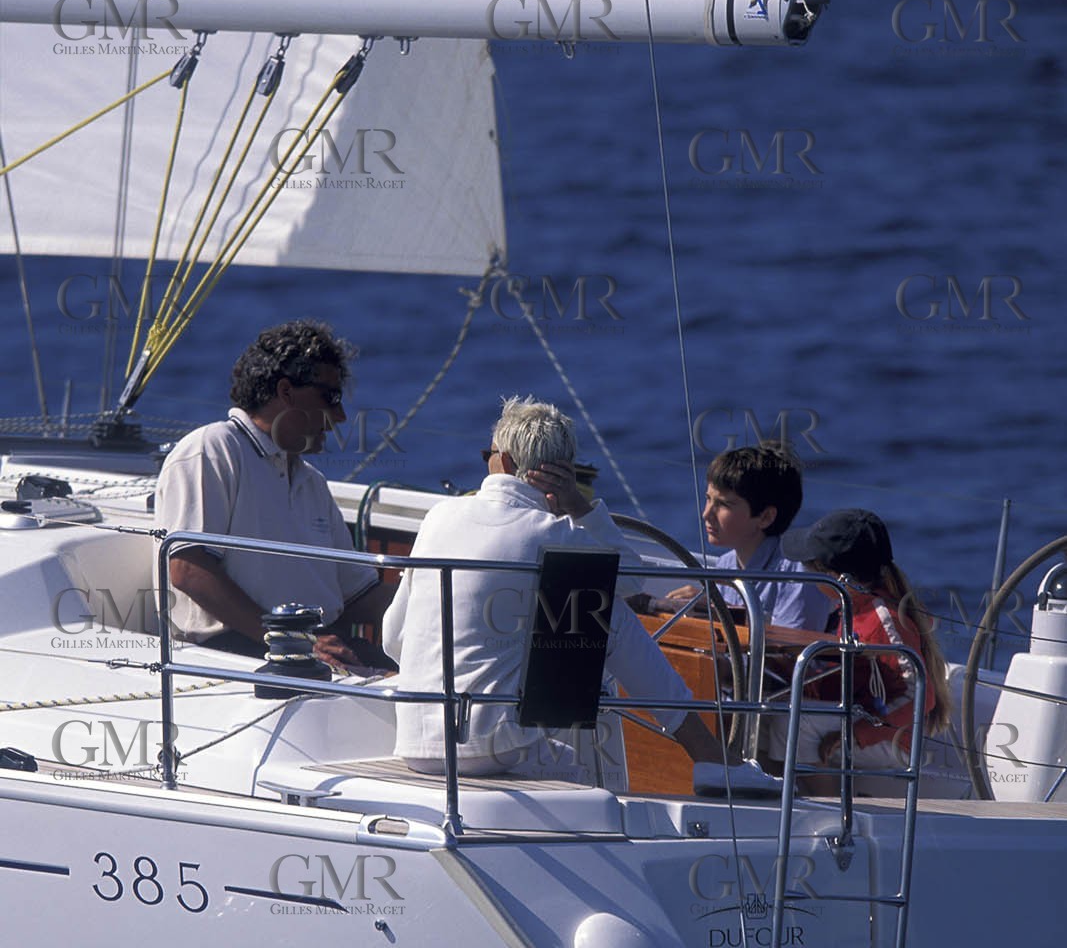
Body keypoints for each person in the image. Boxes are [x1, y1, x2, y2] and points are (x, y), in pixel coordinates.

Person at [382, 396, 780, 794]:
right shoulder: (550, 534)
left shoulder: (437, 517)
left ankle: (711, 760)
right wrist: (576, 503)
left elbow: (391, 637)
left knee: (582, 608)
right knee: (604, 611)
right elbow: (630, 581)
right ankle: (711, 757)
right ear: (561, 474)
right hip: (492, 750)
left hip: (416, 743)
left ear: (501, 463)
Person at [156, 319, 392, 669]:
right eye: (331, 398)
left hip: (313, 650)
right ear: (285, 392)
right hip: (237, 654)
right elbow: (188, 570)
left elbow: (359, 594)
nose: (340, 416)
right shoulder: (213, 450)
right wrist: (290, 642)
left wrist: (444, 594)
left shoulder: (311, 482)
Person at [770, 508, 951, 793]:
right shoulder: (852, 610)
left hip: (893, 739)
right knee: (770, 712)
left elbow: (921, 697)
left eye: (811, 566)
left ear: (837, 577)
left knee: (790, 723)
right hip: (867, 719)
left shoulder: (882, 617)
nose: (805, 572)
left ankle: (827, 811)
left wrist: (858, 734)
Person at [650, 445, 833, 633]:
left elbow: (791, 649)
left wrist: (723, 611)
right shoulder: (725, 565)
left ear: (765, 517)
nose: (706, 514)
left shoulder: (799, 575)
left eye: (724, 504)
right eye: (708, 499)